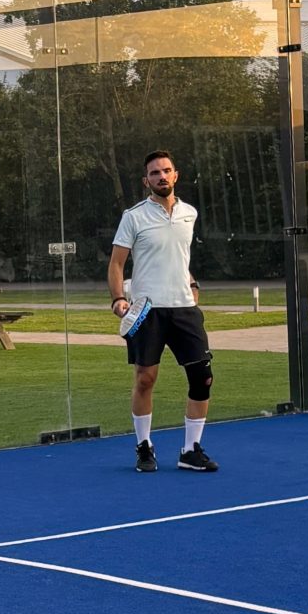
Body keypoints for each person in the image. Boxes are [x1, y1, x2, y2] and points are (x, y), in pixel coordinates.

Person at [108, 150, 217, 474]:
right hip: (147, 311)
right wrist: (117, 299)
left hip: (185, 309)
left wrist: (193, 283)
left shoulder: (189, 213)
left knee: (203, 378)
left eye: (166, 171)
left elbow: (179, 258)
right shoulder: (134, 216)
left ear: (176, 175)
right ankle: (144, 447)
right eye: (155, 173)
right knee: (145, 378)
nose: (161, 177)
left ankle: (190, 450)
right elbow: (116, 263)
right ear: (147, 181)